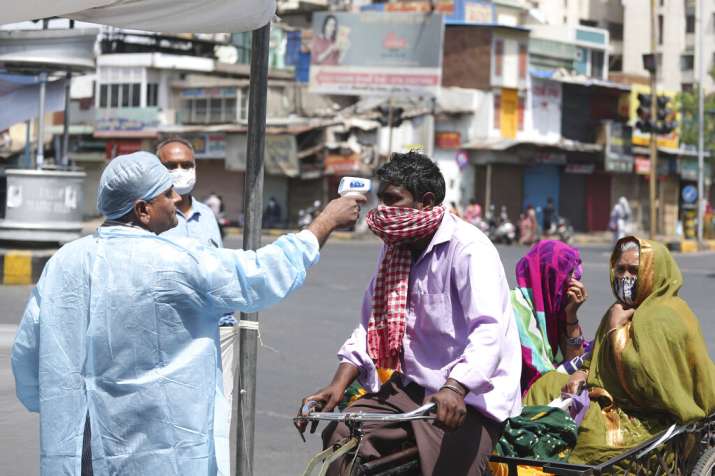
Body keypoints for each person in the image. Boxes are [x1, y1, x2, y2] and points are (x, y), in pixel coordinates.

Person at [10, 151, 365, 476]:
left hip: (82, 445)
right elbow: (261, 274)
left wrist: (64, 405)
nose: (177, 198)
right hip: (157, 453)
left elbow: (29, 353)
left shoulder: (64, 262)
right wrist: (325, 222)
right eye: (166, 193)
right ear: (142, 209)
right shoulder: (176, 262)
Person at [297, 152, 522, 476]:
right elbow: (373, 323)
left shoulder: (469, 249)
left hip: (472, 397)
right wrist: (338, 383)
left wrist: (456, 388)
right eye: (381, 200)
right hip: (413, 388)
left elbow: (488, 331)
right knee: (343, 436)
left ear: (425, 202)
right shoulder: (395, 248)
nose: (382, 211)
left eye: (393, 200)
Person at [524, 236, 715, 464]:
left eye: (634, 271)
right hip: (610, 399)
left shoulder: (667, 316)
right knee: (545, 386)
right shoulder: (618, 310)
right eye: (620, 269)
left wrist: (616, 331)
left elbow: (648, 385)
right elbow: (594, 362)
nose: (625, 277)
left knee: (586, 433)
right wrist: (581, 374)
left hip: (646, 417)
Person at [511, 241, 588, 394]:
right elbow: (538, 377)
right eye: (567, 275)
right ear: (548, 277)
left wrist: (571, 315)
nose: (573, 282)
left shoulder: (556, 309)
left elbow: (575, 361)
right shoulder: (514, 308)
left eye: (574, 274)